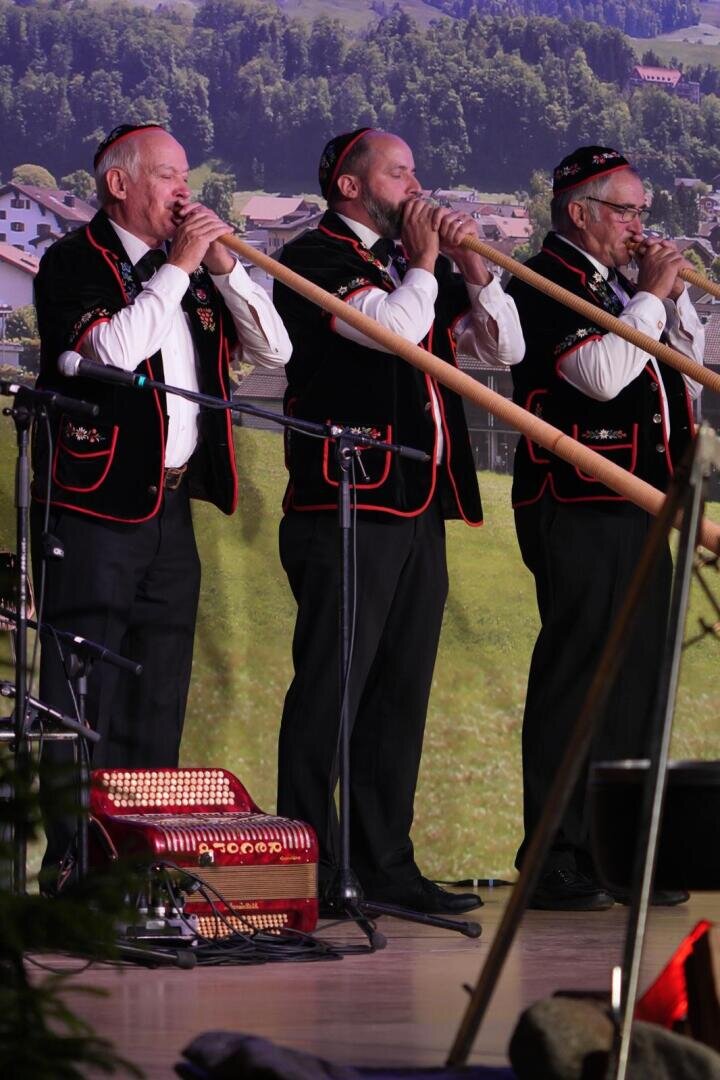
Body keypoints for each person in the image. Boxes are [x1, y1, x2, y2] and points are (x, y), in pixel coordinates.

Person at [32, 123, 291, 886]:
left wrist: (226, 268)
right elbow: (111, 353)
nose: (187, 191)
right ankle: (75, 866)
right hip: (93, 506)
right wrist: (178, 267)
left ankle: (141, 860)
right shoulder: (72, 260)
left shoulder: (195, 272)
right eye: (170, 175)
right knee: (81, 686)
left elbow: (274, 351)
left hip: (171, 508)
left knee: (158, 686)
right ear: (119, 184)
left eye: (187, 177)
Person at [273, 127, 525, 915]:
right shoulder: (313, 257)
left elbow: (505, 349)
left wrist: (473, 269)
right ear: (350, 186)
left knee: (399, 693)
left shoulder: (410, 264)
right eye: (400, 172)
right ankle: (312, 867)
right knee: (332, 690)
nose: (418, 186)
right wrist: (424, 261)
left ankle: (386, 864)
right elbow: (391, 329)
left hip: (419, 503)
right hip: (346, 503)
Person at [507, 145, 704, 910]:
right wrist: (649, 297)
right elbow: (599, 376)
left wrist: (670, 299)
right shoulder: (543, 278)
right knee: (579, 678)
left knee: (638, 682)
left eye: (642, 213)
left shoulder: (617, 285)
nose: (639, 226)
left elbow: (684, 371)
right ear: (580, 213)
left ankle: (621, 852)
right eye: (627, 212)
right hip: (579, 502)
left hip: (644, 503)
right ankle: (554, 855)